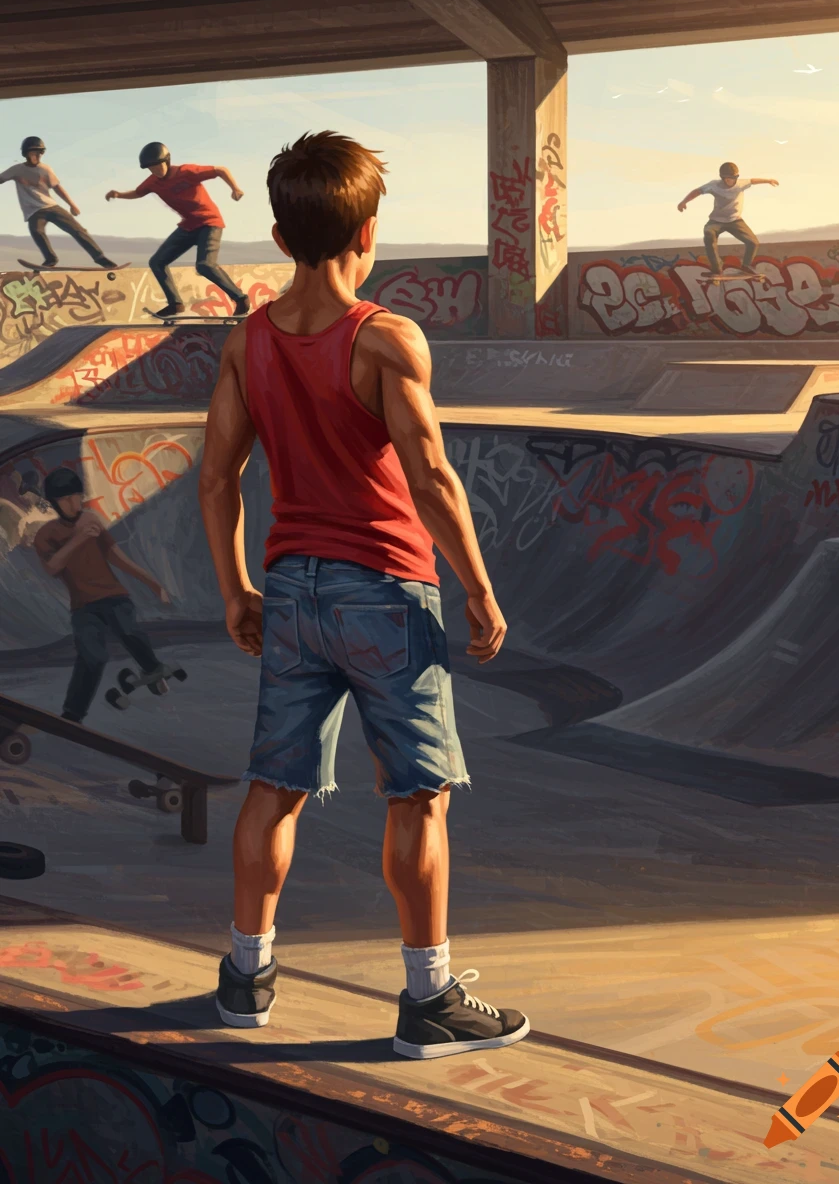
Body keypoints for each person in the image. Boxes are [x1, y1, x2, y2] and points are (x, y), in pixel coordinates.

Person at [198, 130, 529, 1059]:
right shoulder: (385, 337)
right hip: (385, 590)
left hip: (291, 591)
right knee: (418, 796)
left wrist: (236, 589)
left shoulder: (247, 341)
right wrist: (479, 589)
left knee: (275, 787)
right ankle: (430, 999)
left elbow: (217, 478)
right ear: (368, 232)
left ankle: (245, 978)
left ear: (278, 235)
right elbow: (431, 477)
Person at [33, 468, 171, 724]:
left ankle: (152, 669)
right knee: (92, 657)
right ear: (54, 503)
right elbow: (52, 567)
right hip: (83, 607)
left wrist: (154, 585)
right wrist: (79, 538)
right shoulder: (46, 535)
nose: (73, 504)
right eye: (65, 499)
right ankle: (73, 714)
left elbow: (116, 557)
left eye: (77, 497)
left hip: (114, 596)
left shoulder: (91, 520)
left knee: (128, 630)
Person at [105, 142, 250, 319]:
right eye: (151, 168)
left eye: (158, 166)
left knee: (205, 265)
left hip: (209, 222)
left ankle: (241, 299)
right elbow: (138, 192)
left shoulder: (186, 172)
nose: (155, 171)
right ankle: (175, 304)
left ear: (167, 161)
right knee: (157, 262)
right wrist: (118, 194)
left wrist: (235, 188)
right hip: (188, 226)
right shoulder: (152, 182)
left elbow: (220, 170)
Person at [0, 137, 118, 270]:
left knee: (77, 230)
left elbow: (57, 188)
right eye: (34, 153)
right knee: (36, 231)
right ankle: (50, 259)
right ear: (26, 154)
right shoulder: (16, 170)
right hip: (34, 212)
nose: (37, 156)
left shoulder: (45, 169)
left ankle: (100, 258)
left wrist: (72, 205)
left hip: (51, 207)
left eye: (40, 153)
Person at [677, 161, 779, 281]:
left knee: (753, 242)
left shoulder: (741, 183)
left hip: (735, 221)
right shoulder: (714, 185)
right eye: (729, 179)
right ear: (723, 178)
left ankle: (746, 266)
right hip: (716, 221)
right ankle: (717, 269)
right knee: (709, 233)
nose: (732, 181)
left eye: (734, 178)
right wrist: (684, 202)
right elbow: (697, 191)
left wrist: (768, 180)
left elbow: (753, 181)